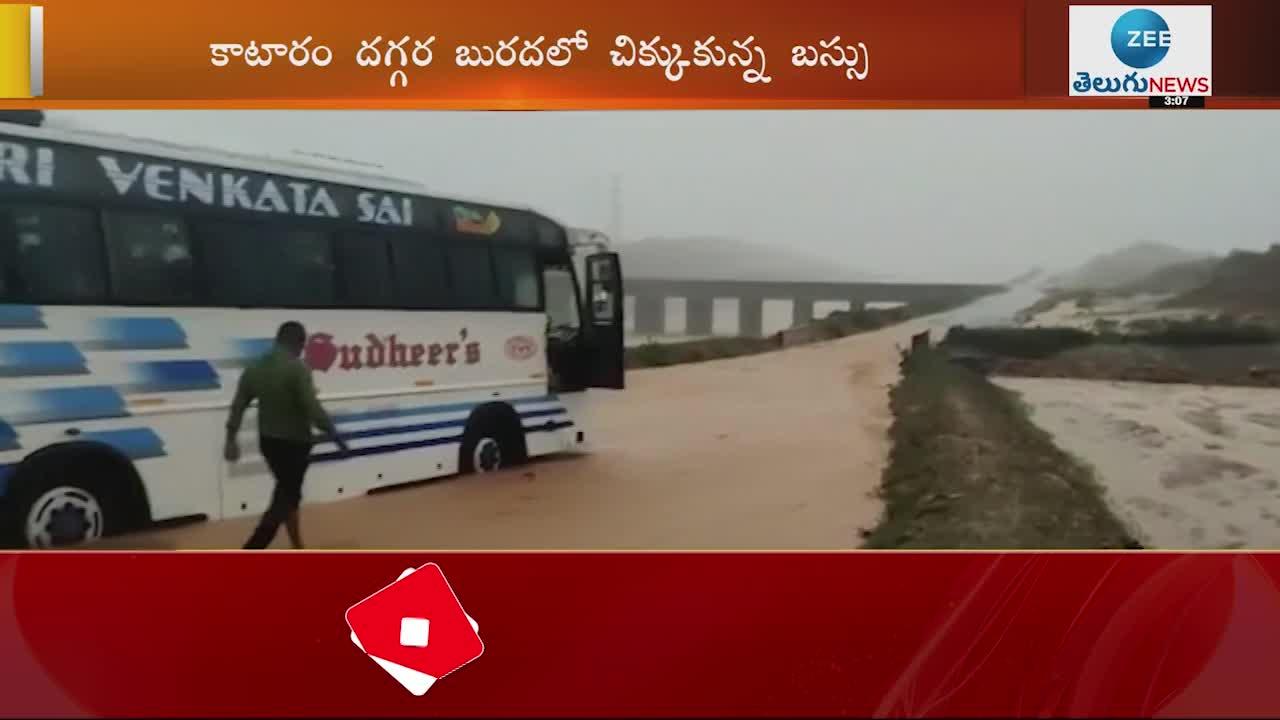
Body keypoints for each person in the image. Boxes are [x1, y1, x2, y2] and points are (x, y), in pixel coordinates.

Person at [224, 321, 349, 549]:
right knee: (283, 500)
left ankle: (297, 547)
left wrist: (231, 439)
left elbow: (238, 405)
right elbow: (313, 409)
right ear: (298, 342)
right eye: (303, 345)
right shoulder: (297, 369)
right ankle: (251, 550)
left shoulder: (255, 368)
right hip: (295, 445)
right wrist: (336, 436)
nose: (303, 350)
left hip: (269, 444)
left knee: (288, 494)